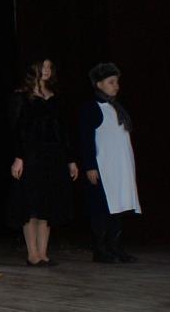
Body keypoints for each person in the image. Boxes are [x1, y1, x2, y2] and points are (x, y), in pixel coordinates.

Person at [8, 59, 78, 266]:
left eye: (49, 67)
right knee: (31, 205)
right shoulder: (22, 96)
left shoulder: (56, 97)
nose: (47, 70)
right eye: (43, 66)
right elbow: (17, 129)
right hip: (31, 157)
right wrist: (19, 157)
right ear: (34, 69)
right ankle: (32, 253)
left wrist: (70, 160)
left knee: (47, 204)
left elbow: (63, 130)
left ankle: (43, 252)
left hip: (53, 156)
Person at [79, 62, 141, 263]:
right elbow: (86, 139)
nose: (116, 86)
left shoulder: (116, 107)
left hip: (120, 167)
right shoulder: (92, 108)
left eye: (117, 82)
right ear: (99, 84)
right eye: (111, 82)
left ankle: (115, 246)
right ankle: (100, 249)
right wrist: (90, 166)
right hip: (103, 167)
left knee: (118, 206)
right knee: (102, 209)